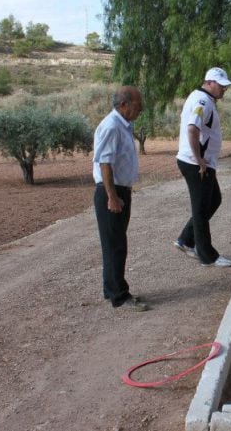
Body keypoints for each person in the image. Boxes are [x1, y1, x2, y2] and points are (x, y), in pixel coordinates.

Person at [172, 67, 231, 267]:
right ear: (209, 83)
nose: (224, 90)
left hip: (199, 163)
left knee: (214, 200)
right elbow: (193, 129)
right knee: (201, 209)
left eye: (225, 86)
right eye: (221, 85)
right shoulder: (202, 101)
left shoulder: (202, 99)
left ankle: (185, 240)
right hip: (196, 164)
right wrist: (199, 159)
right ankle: (208, 256)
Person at [93, 86, 149, 311]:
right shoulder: (112, 126)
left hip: (119, 190)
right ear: (124, 104)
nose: (141, 109)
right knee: (115, 245)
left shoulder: (123, 126)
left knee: (115, 243)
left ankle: (112, 289)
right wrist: (112, 196)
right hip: (111, 192)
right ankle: (119, 295)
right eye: (138, 105)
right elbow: (104, 163)